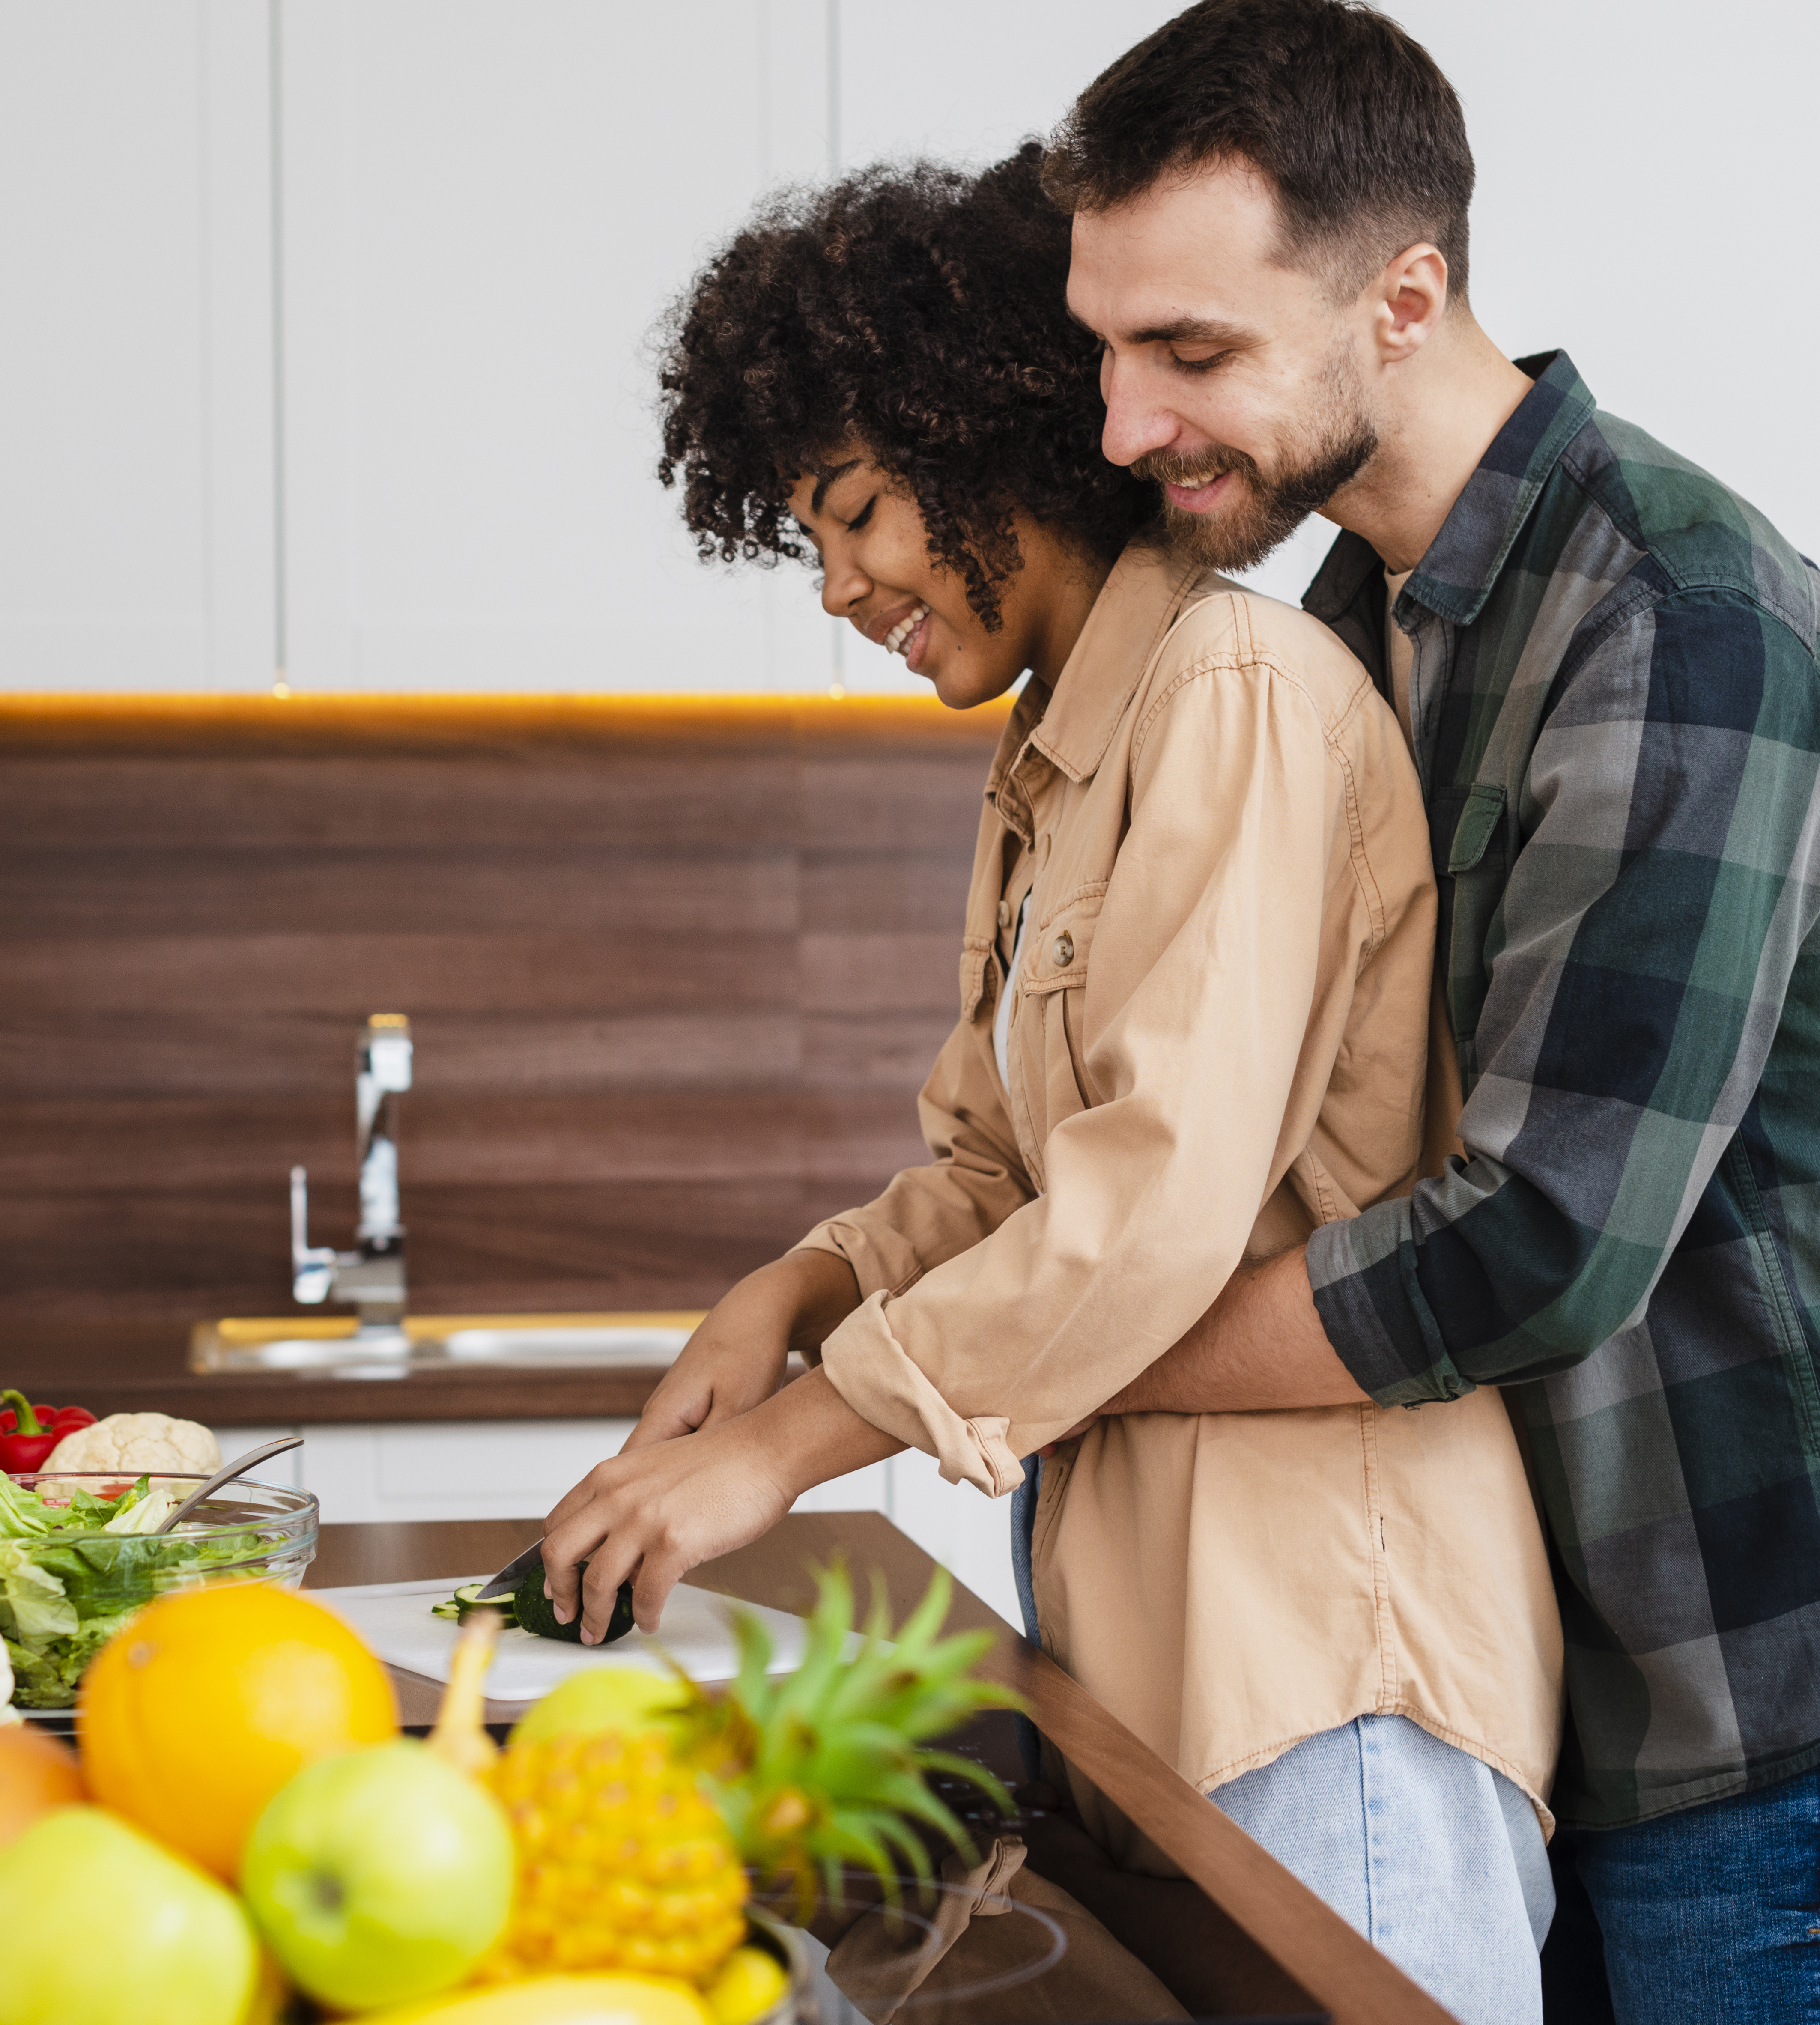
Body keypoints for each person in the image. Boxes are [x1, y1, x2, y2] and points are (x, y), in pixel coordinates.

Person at [1036, 3, 1820, 2018]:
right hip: (1567, 1662)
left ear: (1400, 298)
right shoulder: (1349, 622)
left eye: (1192, 353)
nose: (1125, 425)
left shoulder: (1677, 619)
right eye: (1105, 349)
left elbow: (1533, 1235)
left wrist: (1055, 1357)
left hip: (1768, 1673)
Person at [541, 149, 1563, 2022]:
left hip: (1324, 1666)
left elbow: (1146, 1205)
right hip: (1169, 1667)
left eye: (856, 513)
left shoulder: (1226, 693)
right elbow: (1003, 1168)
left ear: (993, 433)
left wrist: (777, 1451)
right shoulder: (1059, 757)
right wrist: (802, 1286)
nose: (840, 584)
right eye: (806, 539)